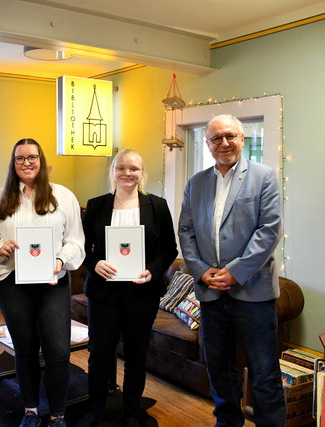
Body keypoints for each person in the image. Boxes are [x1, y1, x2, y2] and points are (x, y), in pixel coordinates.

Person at [178, 114, 285, 427]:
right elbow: (186, 230)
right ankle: (227, 422)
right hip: (211, 293)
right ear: (209, 145)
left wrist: (236, 271)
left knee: (264, 371)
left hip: (253, 293)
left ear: (242, 138)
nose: (224, 143)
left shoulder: (264, 177)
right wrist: (201, 270)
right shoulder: (196, 183)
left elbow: (269, 230)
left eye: (230, 136)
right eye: (216, 138)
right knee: (219, 368)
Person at [0, 138, 85, 427]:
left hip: (53, 283)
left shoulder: (63, 196)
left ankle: (58, 415)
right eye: (20, 158)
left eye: (32, 157)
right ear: (13, 164)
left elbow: (75, 240)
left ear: (41, 160)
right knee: (25, 348)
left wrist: (60, 261)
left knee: (58, 351)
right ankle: (30, 410)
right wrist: (0, 248)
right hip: (12, 283)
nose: (26, 163)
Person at [78, 148, 177, 427]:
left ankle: (132, 412)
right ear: (113, 172)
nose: (127, 173)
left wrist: (153, 271)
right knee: (99, 354)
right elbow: (83, 248)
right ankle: (95, 410)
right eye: (121, 168)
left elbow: (169, 248)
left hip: (141, 292)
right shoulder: (96, 205)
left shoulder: (157, 205)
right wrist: (94, 264)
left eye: (134, 168)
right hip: (104, 292)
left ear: (142, 173)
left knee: (136, 354)